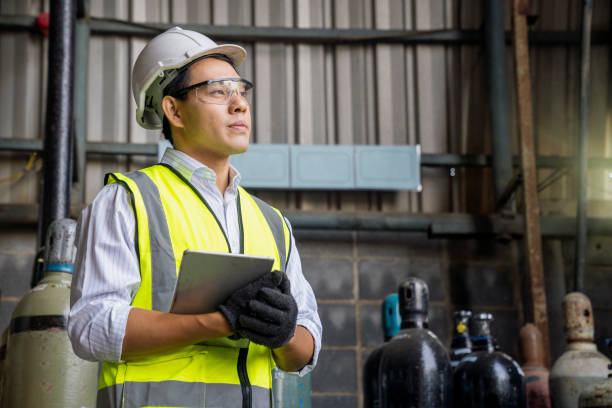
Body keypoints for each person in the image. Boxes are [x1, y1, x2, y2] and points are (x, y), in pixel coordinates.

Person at [67, 27, 321, 408]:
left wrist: (284, 332)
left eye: (241, 91)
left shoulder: (272, 223)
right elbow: (90, 327)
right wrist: (219, 321)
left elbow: (306, 345)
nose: (240, 105)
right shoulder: (127, 200)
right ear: (173, 109)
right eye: (219, 91)